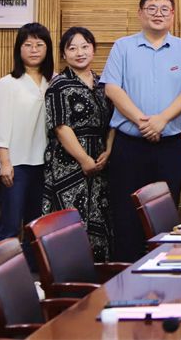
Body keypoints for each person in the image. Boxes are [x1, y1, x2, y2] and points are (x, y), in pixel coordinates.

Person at [101, 0, 181, 261]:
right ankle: (126, 273)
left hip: (169, 148)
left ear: (173, 15)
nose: (158, 14)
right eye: (152, 8)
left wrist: (162, 120)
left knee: (165, 216)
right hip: (128, 147)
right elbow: (112, 88)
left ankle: (163, 270)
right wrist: (143, 121)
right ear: (140, 14)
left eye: (164, 9)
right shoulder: (123, 47)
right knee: (125, 215)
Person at [42, 27, 114, 261]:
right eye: (72, 48)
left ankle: (100, 273)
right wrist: (84, 160)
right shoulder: (58, 85)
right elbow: (60, 127)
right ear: (64, 54)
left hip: (100, 162)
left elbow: (114, 122)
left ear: (93, 50)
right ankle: (68, 276)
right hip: (68, 164)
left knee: (99, 217)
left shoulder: (104, 84)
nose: (79, 53)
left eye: (85, 46)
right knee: (70, 221)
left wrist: (108, 151)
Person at [0, 22, 54, 264]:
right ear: (19, 49)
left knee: (35, 226)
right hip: (16, 165)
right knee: (10, 225)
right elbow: (0, 125)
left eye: (39, 44)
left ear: (47, 49)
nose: (34, 49)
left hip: (44, 164)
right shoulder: (8, 83)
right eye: (28, 45)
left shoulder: (53, 81)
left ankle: (33, 276)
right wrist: (5, 162)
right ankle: (1, 277)